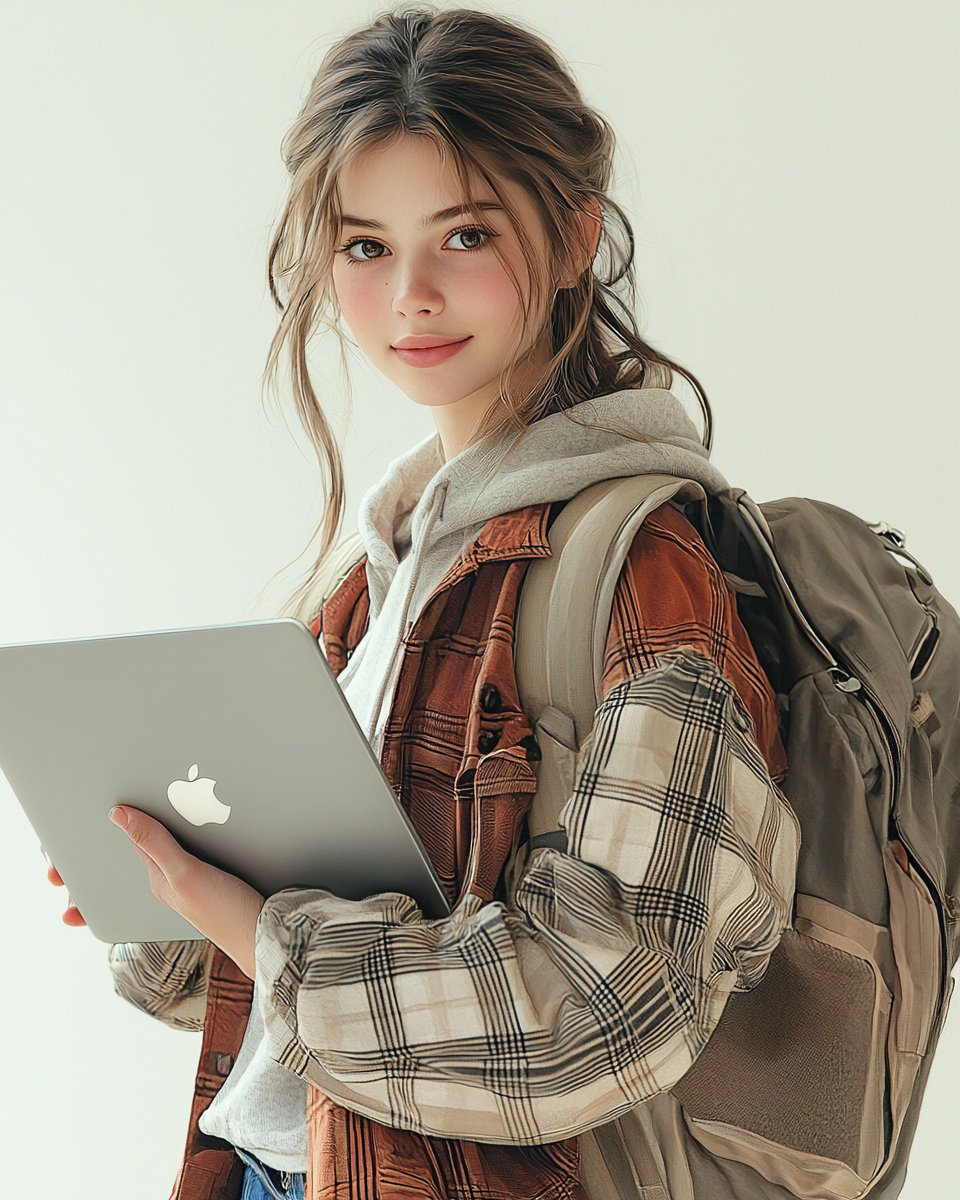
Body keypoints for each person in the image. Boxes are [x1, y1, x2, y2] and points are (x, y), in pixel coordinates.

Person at [47, 8, 798, 1199]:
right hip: (278, 1171)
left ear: (572, 240)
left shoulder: (646, 573)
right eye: (362, 247)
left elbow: (608, 1007)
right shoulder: (371, 582)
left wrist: (262, 933)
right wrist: (168, 890)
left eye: (462, 235)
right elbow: (331, 980)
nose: (410, 297)